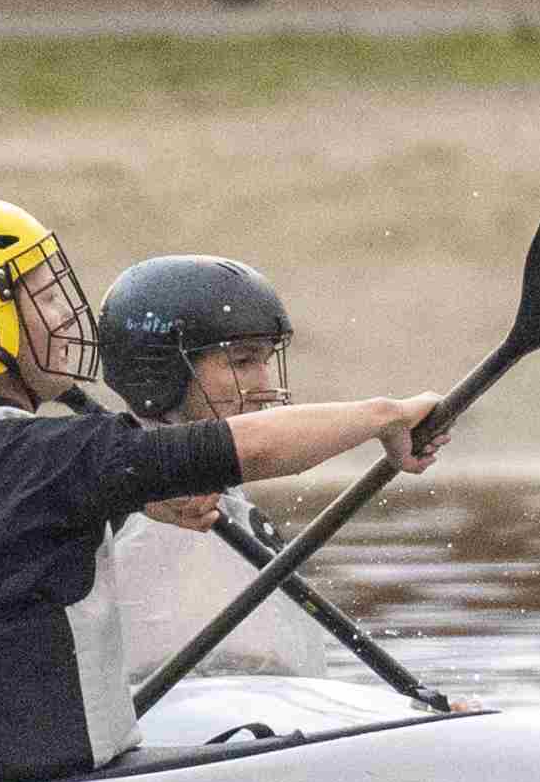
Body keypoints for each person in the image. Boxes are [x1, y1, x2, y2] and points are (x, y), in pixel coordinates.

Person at [0, 197, 441, 782]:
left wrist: (129, 500)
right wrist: (384, 418)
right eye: (45, 300)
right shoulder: (35, 455)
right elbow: (241, 450)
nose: (69, 319)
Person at [91, 253, 361, 689]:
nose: (264, 381)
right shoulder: (104, 502)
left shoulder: (238, 506)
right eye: (241, 362)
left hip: (255, 723)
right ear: (162, 372)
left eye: (266, 359)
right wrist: (384, 419)